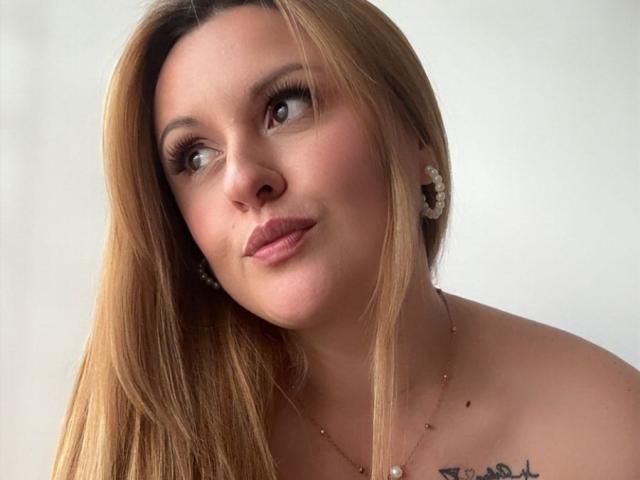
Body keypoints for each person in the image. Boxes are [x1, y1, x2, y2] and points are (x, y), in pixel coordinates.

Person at [50, 1, 640, 479]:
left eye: (285, 107)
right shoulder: (143, 443)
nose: (243, 180)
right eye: (195, 157)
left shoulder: (609, 426)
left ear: (414, 139)